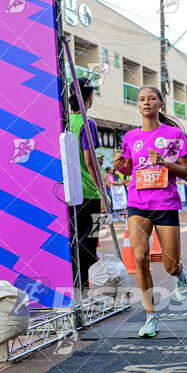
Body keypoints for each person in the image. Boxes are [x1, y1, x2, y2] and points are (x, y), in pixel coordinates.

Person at [113, 86, 187, 337]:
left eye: (151, 98)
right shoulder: (129, 137)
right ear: (138, 105)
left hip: (166, 203)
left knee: (169, 265)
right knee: (139, 258)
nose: (146, 102)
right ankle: (150, 316)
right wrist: (120, 166)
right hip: (137, 203)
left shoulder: (175, 134)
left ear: (161, 104)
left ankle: (180, 274)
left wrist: (165, 163)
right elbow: (130, 170)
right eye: (141, 99)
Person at [69, 78, 103, 288]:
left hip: (68, 193)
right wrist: (103, 191)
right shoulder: (87, 123)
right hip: (88, 193)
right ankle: (84, 290)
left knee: (73, 241)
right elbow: (90, 162)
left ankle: (75, 288)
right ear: (90, 98)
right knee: (89, 242)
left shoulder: (62, 121)